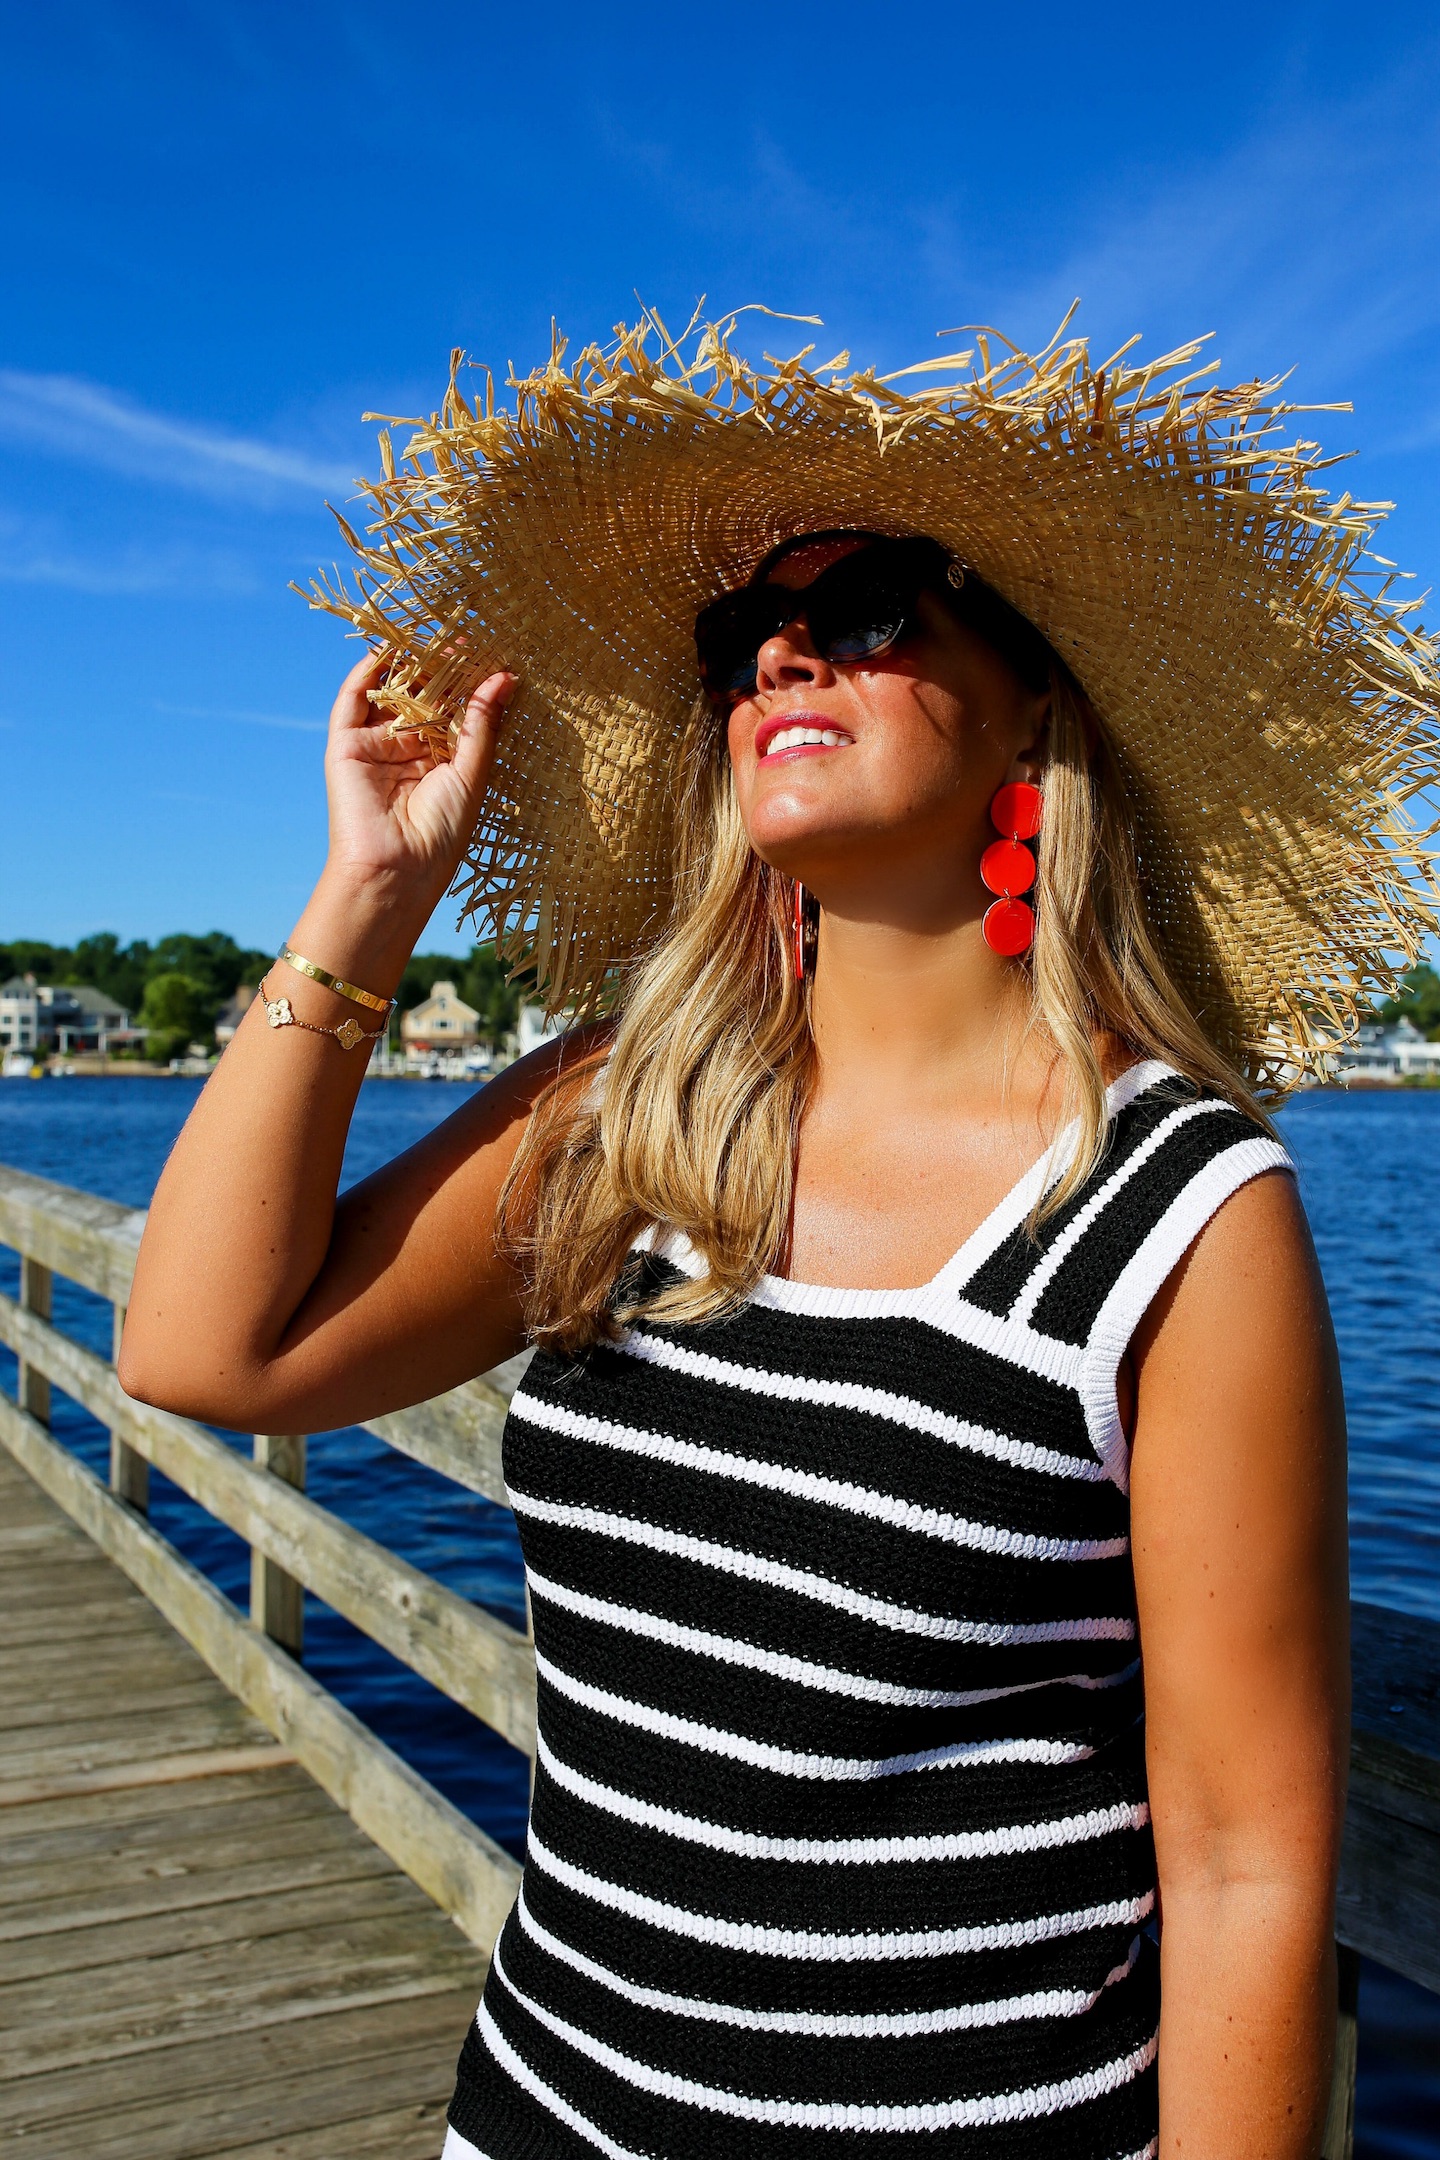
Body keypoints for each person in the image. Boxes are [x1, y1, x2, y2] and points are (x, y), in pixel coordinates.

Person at [121, 310, 1440, 2159]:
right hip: (545, 2118)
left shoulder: (1178, 1209)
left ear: (1039, 702)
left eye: (875, 606)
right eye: (742, 637)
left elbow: (1239, 1869)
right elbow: (206, 1353)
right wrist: (371, 891)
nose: (787, 650)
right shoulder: (626, 1113)